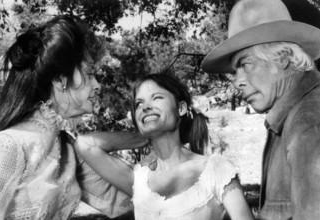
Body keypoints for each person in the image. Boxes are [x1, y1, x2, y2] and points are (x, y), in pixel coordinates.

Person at [0, 15, 148, 219]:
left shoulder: (67, 149)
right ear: (59, 80)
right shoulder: (10, 144)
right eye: (89, 74)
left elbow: (130, 204)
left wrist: (151, 137)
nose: (97, 84)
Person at [73, 73, 254, 220]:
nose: (146, 107)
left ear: (181, 108)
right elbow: (85, 145)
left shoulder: (215, 168)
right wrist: (143, 136)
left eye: (157, 98)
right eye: (139, 104)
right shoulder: (138, 181)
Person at [201, 0, 320, 219]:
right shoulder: (289, 118)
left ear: (283, 57)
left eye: (245, 64)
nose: (237, 82)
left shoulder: (307, 121)